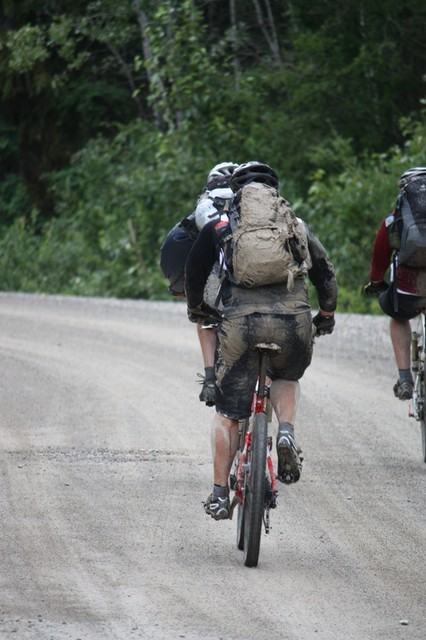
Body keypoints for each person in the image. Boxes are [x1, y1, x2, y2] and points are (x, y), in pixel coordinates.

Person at [185, 161, 338, 520]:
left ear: (237, 192)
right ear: (275, 193)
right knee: (286, 375)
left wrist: (197, 309)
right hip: (292, 324)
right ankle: (285, 431)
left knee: (227, 413)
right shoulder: (296, 225)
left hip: (240, 326)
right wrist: (326, 314)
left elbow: (194, 271)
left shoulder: (221, 224)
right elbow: (324, 273)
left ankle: (219, 494)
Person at [160, 162, 238, 405]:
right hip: (256, 280)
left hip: (218, 282)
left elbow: (184, 252)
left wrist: (184, 291)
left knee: (205, 317)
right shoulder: (253, 205)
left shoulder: (205, 207)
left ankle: (210, 378)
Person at [363, 167, 426, 400]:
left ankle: (405, 379)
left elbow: (380, 257)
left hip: (408, 289)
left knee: (398, 316)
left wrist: (376, 282)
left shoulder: (394, 220)